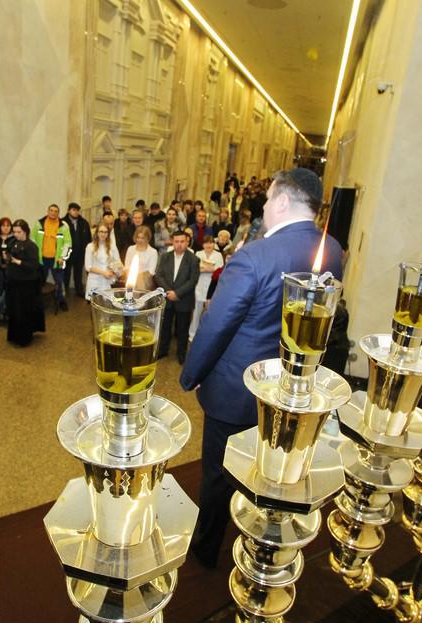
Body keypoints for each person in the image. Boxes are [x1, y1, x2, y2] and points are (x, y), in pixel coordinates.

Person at [179, 167, 343, 569]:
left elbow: (217, 325)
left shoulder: (254, 257)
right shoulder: (332, 249)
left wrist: (192, 374)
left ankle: (206, 550)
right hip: (289, 388)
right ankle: (260, 540)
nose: (264, 207)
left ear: (282, 202)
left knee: (219, 474)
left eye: (268, 199)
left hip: (236, 391)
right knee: (268, 467)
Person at [154, 230, 199, 364]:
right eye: (176, 241)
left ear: (187, 242)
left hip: (184, 299)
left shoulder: (193, 259)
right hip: (167, 298)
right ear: (172, 242)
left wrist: (177, 293)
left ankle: (181, 354)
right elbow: (158, 275)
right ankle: (163, 351)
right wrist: (169, 292)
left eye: (182, 241)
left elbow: (193, 280)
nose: (179, 244)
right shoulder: (165, 257)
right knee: (165, 327)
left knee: (182, 329)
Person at [5, 219, 44, 346]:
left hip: (26, 284)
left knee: (24, 311)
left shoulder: (31, 246)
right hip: (14, 282)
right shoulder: (13, 242)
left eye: (19, 232)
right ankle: (14, 336)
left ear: (25, 231)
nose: (16, 234)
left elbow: (33, 265)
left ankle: (24, 338)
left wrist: (18, 262)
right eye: (14, 232)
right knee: (15, 310)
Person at [32, 204, 71, 312]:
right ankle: (38, 302)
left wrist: (62, 257)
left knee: (59, 282)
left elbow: (68, 243)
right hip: (41, 260)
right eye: (51, 210)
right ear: (47, 211)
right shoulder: (39, 224)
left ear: (58, 213)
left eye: (56, 211)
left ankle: (61, 300)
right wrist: (35, 256)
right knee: (39, 282)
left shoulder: (63, 226)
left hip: (57, 260)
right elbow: (32, 240)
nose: (53, 213)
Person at [189, 235, 223, 341]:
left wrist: (204, 268)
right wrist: (210, 268)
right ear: (203, 244)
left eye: (211, 243)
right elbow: (195, 269)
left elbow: (219, 271)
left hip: (213, 287)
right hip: (199, 286)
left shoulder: (218, 255)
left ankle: (208, 335)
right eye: (206, 243)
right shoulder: (198, 254)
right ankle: (192, 333)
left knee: (211, 313)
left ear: (214, 244)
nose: (208, 245)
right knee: (196, 312)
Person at [84, 222, 121, 299]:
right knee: (93, 303)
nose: (103, 234)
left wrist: (115, 271)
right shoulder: (90, 246)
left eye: (105, 232)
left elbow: (118, 263)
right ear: (97, 233)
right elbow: (88, 267)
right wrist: (103, 273)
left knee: (107, 303)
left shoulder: (112, 246)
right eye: (101, 231)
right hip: (94, 281)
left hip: (107, 282)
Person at [62, 202, 91, 297]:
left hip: (80, 253)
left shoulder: (84, 222)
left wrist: (87, 251)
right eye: (73, 210)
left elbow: (89, 238)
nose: (76, 212)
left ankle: (79, 291)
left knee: (78, 273)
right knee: (66, 273)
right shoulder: (62, 223)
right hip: (67, 253)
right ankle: (64, 291)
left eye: (77, 210)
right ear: (68, 211)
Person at [124, 225, 157, 289]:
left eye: (142, 238)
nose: (139, 240)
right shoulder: (130, 249)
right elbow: (127, 266)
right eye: (138, 237)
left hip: (145, 283)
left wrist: (139, 279)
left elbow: (151, 271)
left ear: (147, 238)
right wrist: (131, 277)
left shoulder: (153, 252)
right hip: (130, 280)